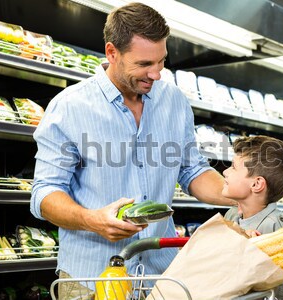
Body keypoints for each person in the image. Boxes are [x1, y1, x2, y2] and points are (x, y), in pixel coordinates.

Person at [30, 2, 234, 298]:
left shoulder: (174, 101)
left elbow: (192, 170)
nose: (156, 74)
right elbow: (45, 193)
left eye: (161, 61)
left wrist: (236, 193)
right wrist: (93, 220)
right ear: (112, 52)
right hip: (92, 278)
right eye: (143, 64)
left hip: (161, 276)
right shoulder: (69, 107)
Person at [223, 135, 283, 300]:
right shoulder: (231, 216)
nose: (225, 172)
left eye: (233, 167)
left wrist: (264, 272)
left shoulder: (280, 232)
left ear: (256, 184)